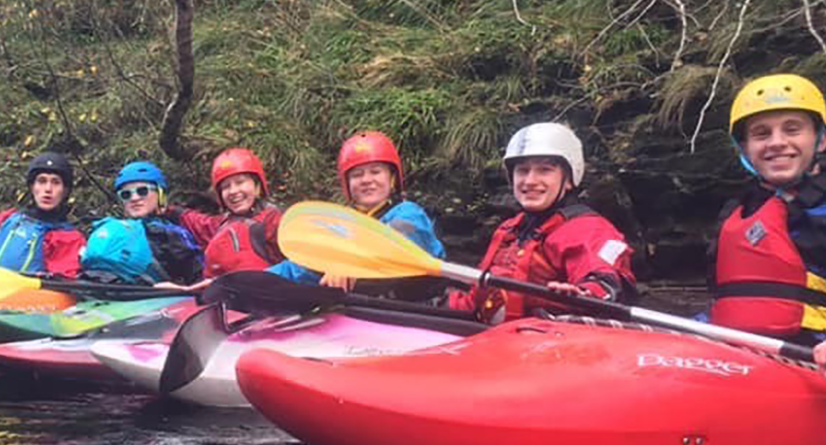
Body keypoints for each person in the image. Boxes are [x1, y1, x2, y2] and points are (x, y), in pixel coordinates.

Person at [707, 73, 826, 378]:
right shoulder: (736, 217)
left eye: (792, 129)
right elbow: (730, 305)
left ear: (822, 138)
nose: (777, 143)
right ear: (744, 148)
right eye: (761, 133)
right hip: (738, 370)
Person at [448, 122, 637, 322]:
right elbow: (478, 299)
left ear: (569, 179)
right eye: (522, 170)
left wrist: (582, 295)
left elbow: (607, 286)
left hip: (552, 343)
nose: (529, 180)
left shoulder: (589, 229)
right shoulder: (510, 228)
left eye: (544, 170)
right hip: (495, 337)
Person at [269, 130, 445, 289]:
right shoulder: (343, 226)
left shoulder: (408, 213)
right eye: (357, 175)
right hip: (365, 314)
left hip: (414, 312)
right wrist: (259, 279)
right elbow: (307, 263)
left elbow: (395, 243)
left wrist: (346, 264)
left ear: (392, 179)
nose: (366, 180)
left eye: (375, 172)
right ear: (348, 184)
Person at [0, 151, 85, 278]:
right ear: (32, 187)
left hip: (21, 300)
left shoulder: (69, 238)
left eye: (56, 182)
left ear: (65, 191)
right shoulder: (9, 217)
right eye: (42, 181)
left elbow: (63, 282)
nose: (48, 189)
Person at [164, 147, 283, 283]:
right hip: (223, 297)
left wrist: (266, 277)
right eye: (226, 186)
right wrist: (169, 211)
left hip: (265, 294)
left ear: (257, 187)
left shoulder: (275, 221)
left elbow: (302, 260)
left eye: (240, 182)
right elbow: (196, 222)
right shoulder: (220, 225)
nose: (233, 191)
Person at [79, 160, 205, 284]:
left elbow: (198, 276)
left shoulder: (172, 234)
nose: (134, 198)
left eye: (142, 191)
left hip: (160, 299)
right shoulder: (107, 230)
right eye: (126, 194)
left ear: (160, 194)